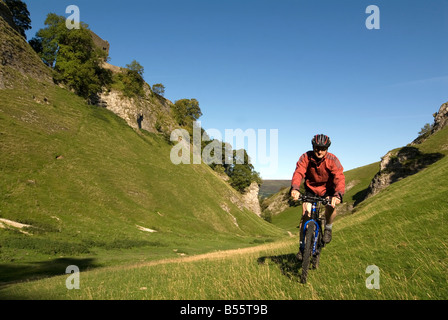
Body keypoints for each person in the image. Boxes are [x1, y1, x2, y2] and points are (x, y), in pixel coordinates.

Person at [290, 134, 345, 257]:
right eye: (316, 148)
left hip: (328, 190)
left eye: (323, 149)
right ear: (313, 146)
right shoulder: (305, 157)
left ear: (327, 149)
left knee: (330, 208)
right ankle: (302, 246)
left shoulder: (333, 160)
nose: (319, 151)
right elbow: (298, 172)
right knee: (306, 214)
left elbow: (339, 177)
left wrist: (338, 195)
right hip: (311, 189)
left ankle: (328, 228)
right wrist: (295, 188)